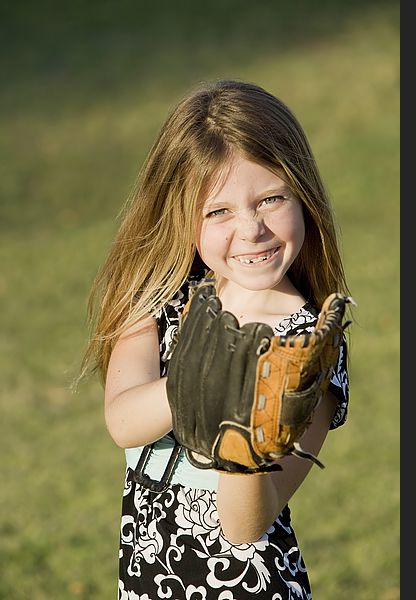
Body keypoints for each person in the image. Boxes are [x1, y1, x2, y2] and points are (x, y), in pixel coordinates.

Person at [80, 79, 350, 599]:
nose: (251, 229)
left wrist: (245, 444)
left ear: (304, 198)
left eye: (270, 199)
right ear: (181, 218)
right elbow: (123, 422)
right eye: (218, 211)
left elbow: (247, 528)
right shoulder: (162, 298)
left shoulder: (313, 345)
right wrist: (201, 375)